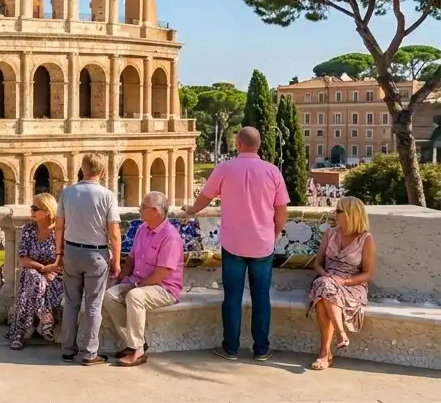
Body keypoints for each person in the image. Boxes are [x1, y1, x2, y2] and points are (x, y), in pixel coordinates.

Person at [185, 126, 289, 362]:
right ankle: (261, 349)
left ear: (238, 144)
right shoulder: (272, 171)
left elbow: (204, 198)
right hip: (263, 244)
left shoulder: (224, 168)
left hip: (233, 244)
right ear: (259, 145)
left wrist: (190, 210)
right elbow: (281, 209)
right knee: (261, 297)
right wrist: (274, 232)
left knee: (232, 297)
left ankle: (230, 347)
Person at [55, 152, 122, 365]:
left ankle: (67, 349)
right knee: (93, 304)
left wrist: (59, 254)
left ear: (82, 169)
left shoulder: (67, 193)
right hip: (96, 253)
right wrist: (117, 260)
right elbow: (114, 233)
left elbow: (59, 227)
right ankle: (89, 352)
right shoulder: (107, 196)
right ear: (102, 171)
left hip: (72, 251)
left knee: (71, 303)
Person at [103, 191, 183, 367]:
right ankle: (136, 343)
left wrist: (135, 286)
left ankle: (137, 351)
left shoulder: (171, 237)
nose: (139, 209)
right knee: (110, 295)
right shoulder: (142, 229)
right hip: (138, 282)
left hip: (164, 288)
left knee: (135, 296)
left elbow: (162, 273)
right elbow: (131, 258)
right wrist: (121, 277)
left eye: (143, 207)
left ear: (154, 211)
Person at [308, 197, 375, 370]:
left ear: (351, 214)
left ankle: (325, 354)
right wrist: (325, 273)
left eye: (338, 211)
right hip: (327, 279)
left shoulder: (366, 239)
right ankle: (340, 334)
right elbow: (317, 263)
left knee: (323, 298)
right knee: (325, 285)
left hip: (351, 284)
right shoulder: (330, 233)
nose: (334, 214)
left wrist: (344, 281)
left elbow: (367, 273)